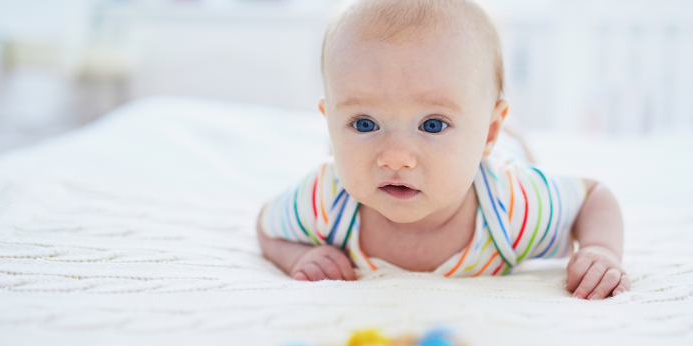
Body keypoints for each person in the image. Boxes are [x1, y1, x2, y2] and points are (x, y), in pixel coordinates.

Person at [257, 0, 629, 300]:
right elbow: (266, 225)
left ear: (488, 133)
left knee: (520, 153)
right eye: (363, 123)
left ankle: (507, 136)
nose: (395, 156)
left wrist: (600, 250)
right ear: (327, 120)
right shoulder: (327, 196)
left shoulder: (513, 203)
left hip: (497, 161)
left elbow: (593, 197)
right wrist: (300, 257)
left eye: (432, 124)